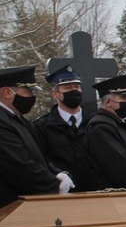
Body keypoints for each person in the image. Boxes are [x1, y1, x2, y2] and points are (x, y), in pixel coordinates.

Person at [0, 65, 74, 207]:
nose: (32, 97)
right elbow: (18, 165)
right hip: (9, 207)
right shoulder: (3, 122)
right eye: (28, 91)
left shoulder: (18, 120)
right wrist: (54, 184)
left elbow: (38, 157)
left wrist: (58, 174)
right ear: (7, 92)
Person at [33, 64, 93, 192]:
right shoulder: (42, 126)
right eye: (67, 87)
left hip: (95, 191)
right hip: (62, 191)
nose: (74, 91)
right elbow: (40, 159)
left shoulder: (95, 122)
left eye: (77, 87)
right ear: (55, 93)